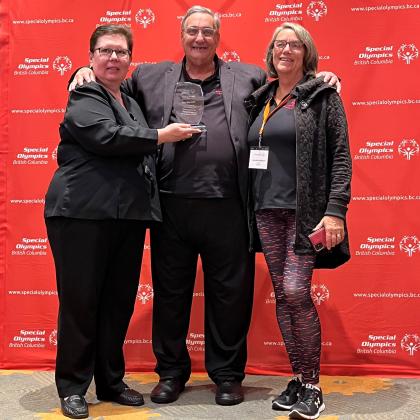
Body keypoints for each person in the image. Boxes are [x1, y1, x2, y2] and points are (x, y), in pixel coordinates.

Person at [70, 6, 340, 406]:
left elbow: (292, 90)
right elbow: (108, 88)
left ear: (218, 37)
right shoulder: (148, 76)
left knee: (231, 295)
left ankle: (228, 376)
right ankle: (172, 373)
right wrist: (80, 71)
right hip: (170, 205)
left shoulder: (246, 76)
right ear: (182, 36)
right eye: (192, 31)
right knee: (170, 294)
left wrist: (325, 78)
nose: (199, 38)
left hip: (229, 204)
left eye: (207, 32)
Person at [45, 25, 199, 419]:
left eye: (120, 52)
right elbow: (106, 137)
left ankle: (111, 381)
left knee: (117, 303)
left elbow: (125, 127)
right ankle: (73, 386)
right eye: (104, 51)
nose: (113, 58)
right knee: (81, 302)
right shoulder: (85, 93)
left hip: (127, 216)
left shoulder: (128, 97)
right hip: (81, 214)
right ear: (92, 57)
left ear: (130, 60)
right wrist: (160, 136)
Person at [246, 23, 351, 419]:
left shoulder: (322, 96)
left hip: (305, 213)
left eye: (294, 44)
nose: (285, 50)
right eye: (279, 44)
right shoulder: (261, 99)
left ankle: (312, 385)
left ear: (307, 53)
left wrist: (335, 209)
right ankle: (297, 377)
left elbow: (340, 156)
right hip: (265, 211)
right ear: (270, 51)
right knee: (283, 295)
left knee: (294, 291)